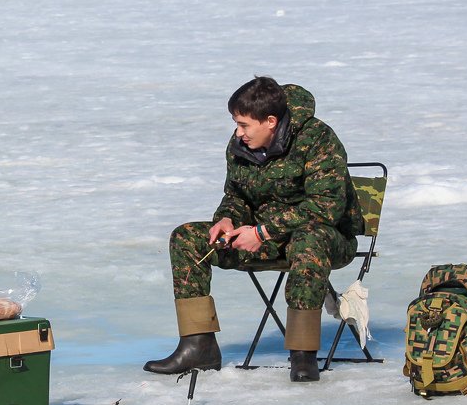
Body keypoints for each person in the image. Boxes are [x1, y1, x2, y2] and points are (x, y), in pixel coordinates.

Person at [144, 77, 363, 383]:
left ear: (270, 121)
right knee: (186, 238)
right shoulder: (240, 146)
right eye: (236, 123)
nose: (238, 132)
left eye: (245, 125)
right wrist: (227, 219)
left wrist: (262, 231)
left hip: (327, 239)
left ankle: (303, 355)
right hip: (262, 236)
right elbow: (236, 196)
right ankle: (198, 346)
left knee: (309, 239)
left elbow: (325, 208)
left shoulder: (318, 139)